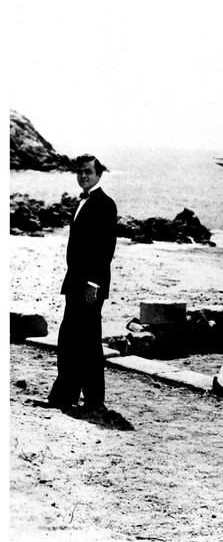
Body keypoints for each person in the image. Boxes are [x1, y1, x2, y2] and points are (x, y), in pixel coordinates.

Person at [46, 154, 117, 414]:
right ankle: (67, 394)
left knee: (87, 341)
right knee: (71, 339)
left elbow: (105, 247)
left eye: (88, 171)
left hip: (90, 285)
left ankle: (93, 398)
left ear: (99, 175)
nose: (83, 176)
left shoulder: (105, 204)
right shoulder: (82, 201)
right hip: (76, 282)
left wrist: (93, 283)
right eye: (80, 172)